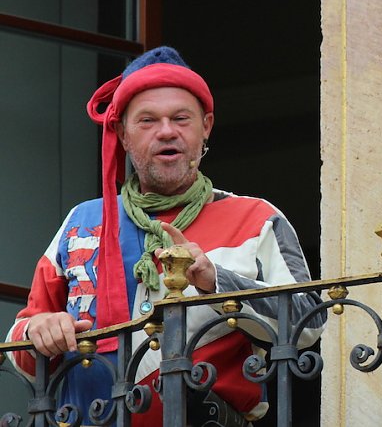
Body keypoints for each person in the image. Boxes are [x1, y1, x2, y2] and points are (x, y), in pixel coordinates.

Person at [6, 46, 325, 426]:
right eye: (147, 120)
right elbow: (21, 352)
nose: (167, 131)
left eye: (181, 118)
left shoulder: (255, 218)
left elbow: (309, 323)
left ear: (206, 126)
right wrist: (38, 330)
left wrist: (216, 282)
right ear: (122, 134)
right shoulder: (81, 220)